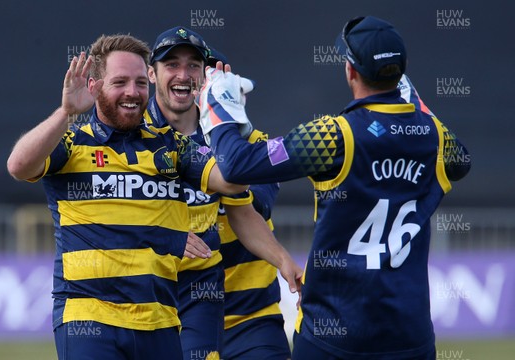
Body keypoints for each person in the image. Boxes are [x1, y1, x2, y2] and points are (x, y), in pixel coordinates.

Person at [198, 16, 471, 359]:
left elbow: (237, 165)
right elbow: (462, 161)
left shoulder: (334, 134)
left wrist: (218, 106)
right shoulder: (434, 136)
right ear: (400, 74)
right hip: (408, 335)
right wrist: (414, 100)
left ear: (350, 71)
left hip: (332, 334)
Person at [6, 33, 247, 360]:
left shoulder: (171, 145)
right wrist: (65, 112)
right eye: (119, 82)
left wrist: (226, 116)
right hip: (88, 317)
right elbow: (18, 166)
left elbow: (231, 180)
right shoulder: (72, 141)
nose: (132, 93)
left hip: (159, 320)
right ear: (94, 87)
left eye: (139, 82)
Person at [144, 26, 301, 360]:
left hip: (251, 317)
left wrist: (225, 128)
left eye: (199, 72)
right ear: (152, 75)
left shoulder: (255, 145)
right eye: (172, 65)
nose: (185, 78)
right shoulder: (142, 142)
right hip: (177, 314)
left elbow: (252, 206)